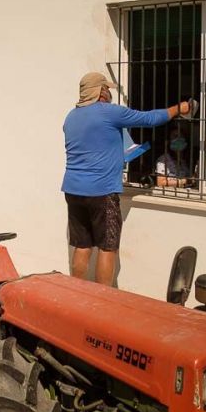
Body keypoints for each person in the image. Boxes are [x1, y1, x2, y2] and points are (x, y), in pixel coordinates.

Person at [62, 72, 193, 285]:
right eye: (107, 89)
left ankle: (75, 292)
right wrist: (179, 108)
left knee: (82, 245)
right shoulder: (108, 112)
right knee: (108, 247)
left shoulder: (71, 117)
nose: (109, 93)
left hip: (73, 189)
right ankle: (102, 298)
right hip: (102, 191)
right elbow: (150, 119)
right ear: (100, 91)